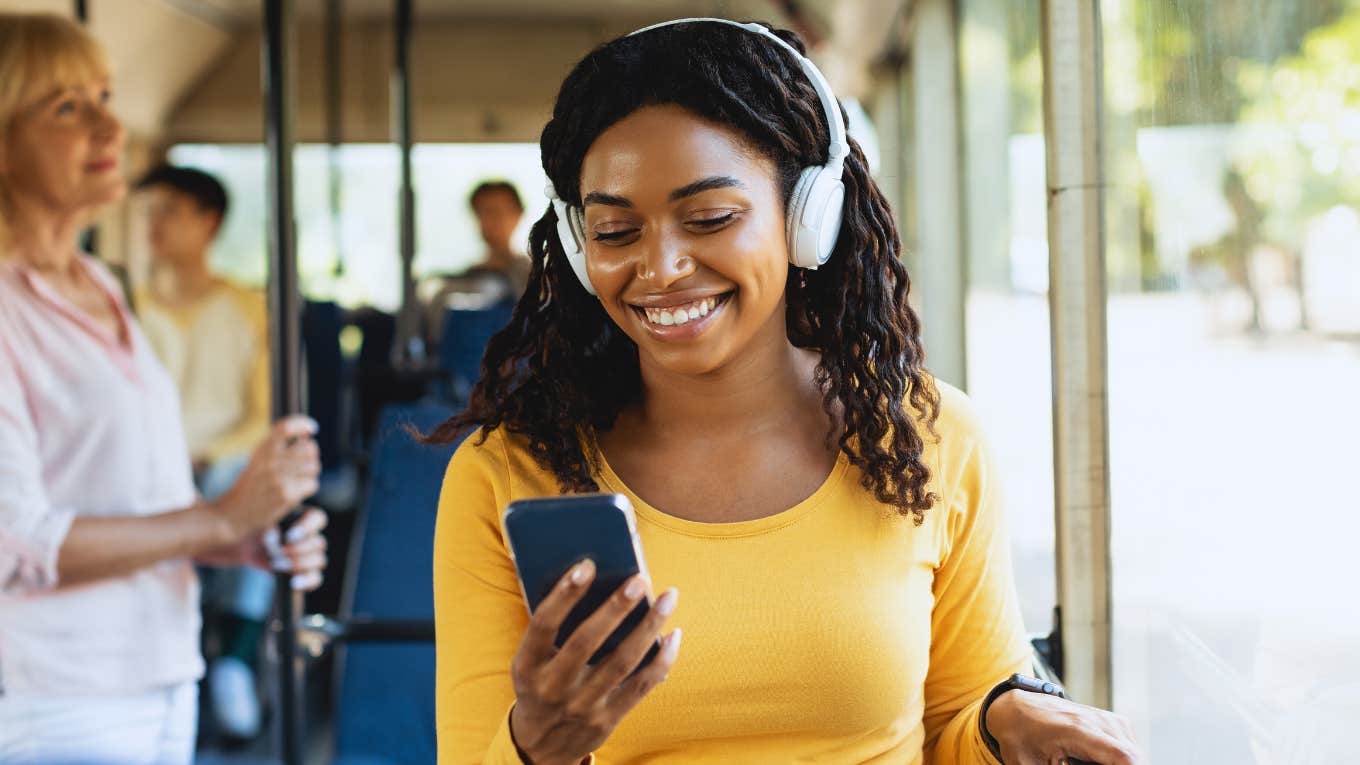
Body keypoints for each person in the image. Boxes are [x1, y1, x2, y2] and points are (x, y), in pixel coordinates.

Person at [428, 19, 1143, 765]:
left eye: (709, 218)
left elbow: (958, 717)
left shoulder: (927, 437)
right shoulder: (506, 475)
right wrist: (536, 749)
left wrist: (1006, 726)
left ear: (807, 218)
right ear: (578, 247)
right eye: (615, 231)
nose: (662, 266)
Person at [0, 13, 327, 764]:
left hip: (160, 672)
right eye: (67, 108)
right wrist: (215, 518)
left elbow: (124, 497)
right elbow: (15, 541)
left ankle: (234, 659)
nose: (110, 125)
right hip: (61, 693)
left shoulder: (97, 285)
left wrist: (239, 540)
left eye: (106, 96)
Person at [134, 164, 275, 742]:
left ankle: (234, 660)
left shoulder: (249, 308)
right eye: (149, 212)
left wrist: (208, 456)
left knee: (252, 487)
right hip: (149, 466)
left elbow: (267, 413)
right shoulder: (126, 310)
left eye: (169, 210)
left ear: (208, 222)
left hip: (224, 461)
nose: (153, 224)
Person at [422, 180, 531, 347]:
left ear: (518, 215)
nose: (494, 221)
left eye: (501, 211)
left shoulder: (535, 275)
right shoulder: (454, 284)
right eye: (485, 212)